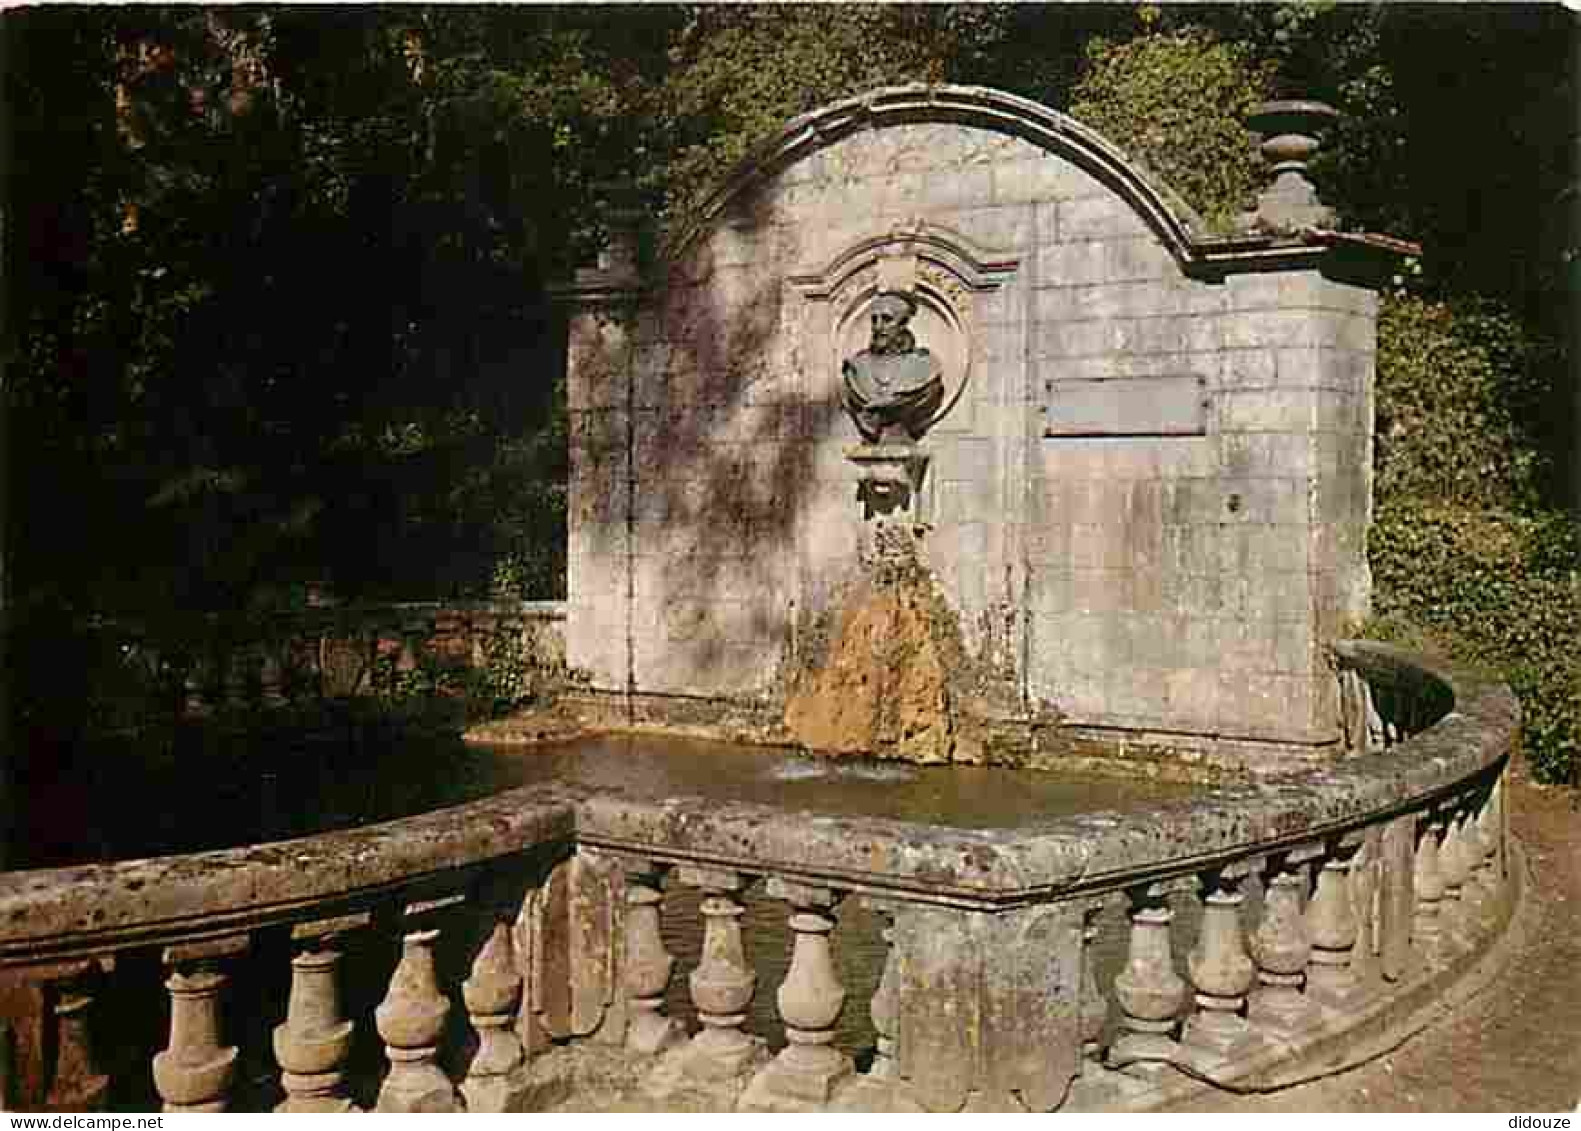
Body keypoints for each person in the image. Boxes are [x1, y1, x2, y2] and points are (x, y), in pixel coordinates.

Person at [841, 290, 944, 443]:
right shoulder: (857, 366)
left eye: (887, 319)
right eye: (874, 320)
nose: (878, 327)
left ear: (903, 324)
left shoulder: (924, 365)